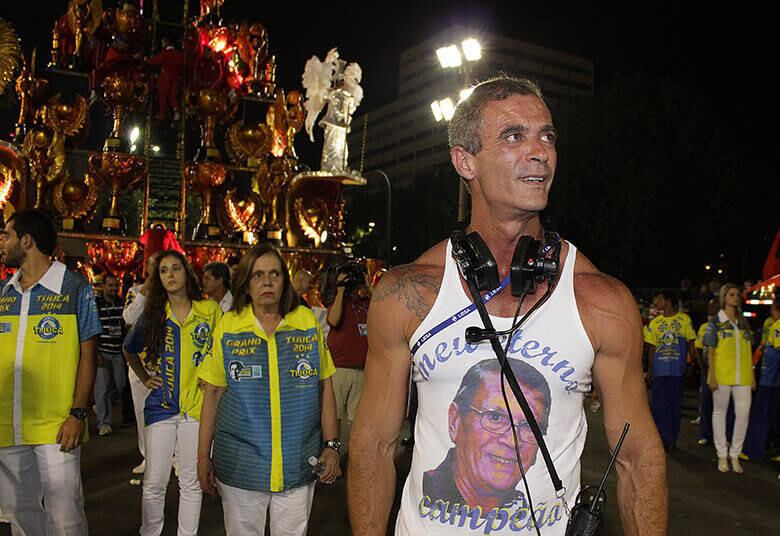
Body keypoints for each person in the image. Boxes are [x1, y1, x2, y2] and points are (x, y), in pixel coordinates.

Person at [347, 77, 667, 535]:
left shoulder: (600, 300)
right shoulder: (409, 293)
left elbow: (638, 458)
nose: (540, 152)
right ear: (465, 160)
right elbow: (374, 446)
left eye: (547, 136)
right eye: (514, 136)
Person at [197, 244, 340, 536]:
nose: (267, 281)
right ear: (246, 284)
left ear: (284, 282)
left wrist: (332, 446)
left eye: (274, 274)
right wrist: (201, 458)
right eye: (258, 274)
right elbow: (212, 394)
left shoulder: (306, 322)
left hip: (298, 465)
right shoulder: (229, 325)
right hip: (241, 467)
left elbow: (324, 387)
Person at [0, 209, 102, 534]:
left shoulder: (74, 288)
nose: (1, 241)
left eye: (6, 234)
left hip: (58, 427)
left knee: (65, 516)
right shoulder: (3, 293)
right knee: (19, 514)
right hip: (8, 426)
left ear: (26, 240)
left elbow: (89, 356)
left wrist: (78, 412)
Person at [123, 250, 222, 535]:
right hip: (161, 408)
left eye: (175, 268)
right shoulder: (155, 316)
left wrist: (215, 378)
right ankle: (150, 532)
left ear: (187, 273)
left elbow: (223, 350)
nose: (170, 274)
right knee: (154, 482)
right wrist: (144, 378)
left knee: (190, 482)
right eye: (164, 270)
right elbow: (128, 350)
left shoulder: (210, 311)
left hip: (197, 409)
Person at [423, 358, 550, 513]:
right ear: (455, 421)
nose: (512, 441)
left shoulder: (526, 513)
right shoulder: (426, 494)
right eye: (495, 417)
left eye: (529, 426)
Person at [703, 283, 754, 473]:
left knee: (743, 415)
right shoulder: (716, 321)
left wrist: (752, 375)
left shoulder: (743, 321)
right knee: (719, 412)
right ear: (724, 298)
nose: (736, 297)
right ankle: (722, 455)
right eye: (731, 294)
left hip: (743, 375)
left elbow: (748, 350)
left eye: (737, 294)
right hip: (722, 374)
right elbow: (711, 350)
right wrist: (712, 376)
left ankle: (735, 454)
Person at [123, 251, 162, 476]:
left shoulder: (173, 295)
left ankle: (172, 456)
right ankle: (148, 457)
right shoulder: (135, 292)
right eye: (153, 266)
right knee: (141, 412)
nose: (156, 271)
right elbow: (128, 318)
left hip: (164, 364)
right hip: (139, 363)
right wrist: (145, 292)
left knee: (168, 412)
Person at [327, 265, 371, 456]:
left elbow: (381, 306)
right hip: (339, 368)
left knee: (358, 419)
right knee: (334, 417)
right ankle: (333, 455)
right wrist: (340, 290)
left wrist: (370, 286)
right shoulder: (339, 302)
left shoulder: (365, 303)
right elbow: (333, 320)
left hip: (361, 369)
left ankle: (353, 458)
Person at [644, 290, 696, 450]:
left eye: (658, 298)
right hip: (660, 371)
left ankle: (671, 438)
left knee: (675, 405)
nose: (655, 301)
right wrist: (649, 370)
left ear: (667, 300)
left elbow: (691, 343)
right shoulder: (655, 323)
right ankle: (662, 439)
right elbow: (651, 348)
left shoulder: (684, 320)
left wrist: (691, 363)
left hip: (677, 371)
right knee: (659, 406)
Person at [742, 299, 780, 460]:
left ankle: (752, 451)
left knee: (760, 415)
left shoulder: (777, 327)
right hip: (773, 379)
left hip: (770, 379)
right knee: (776, 416)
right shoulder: (771, 324)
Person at [94, 272, 127, 436]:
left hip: (118, 351)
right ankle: (104, 423)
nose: (114, 289)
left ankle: (101, 405)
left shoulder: (122, 303)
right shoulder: (96, 304)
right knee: (103, 388)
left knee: (120, 385)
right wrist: (95, 352)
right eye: (111, 285)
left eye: (116, 285)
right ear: (103, 286)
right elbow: (91, 329)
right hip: (102, 351)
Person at [693, 299, 720, 445]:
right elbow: (698, 349)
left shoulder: (723, 326)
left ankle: (719, 436)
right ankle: (705, 433)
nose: (712, 309)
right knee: (706, 402)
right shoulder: (704, 327)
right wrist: (703, 368)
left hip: (721, 371)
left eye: (715, 306)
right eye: (710, 306)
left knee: (720, 406)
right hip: (707, 370)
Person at [145, 36, 185, 121]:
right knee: (173, 96)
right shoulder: (179, 54)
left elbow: (155, 61)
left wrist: (146, 59)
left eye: (163, 42)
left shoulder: (165, 53)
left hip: (165, 76)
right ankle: (176, 112)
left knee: (162, 95)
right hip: (176, 77)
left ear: (166, 42)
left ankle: (162, 114)